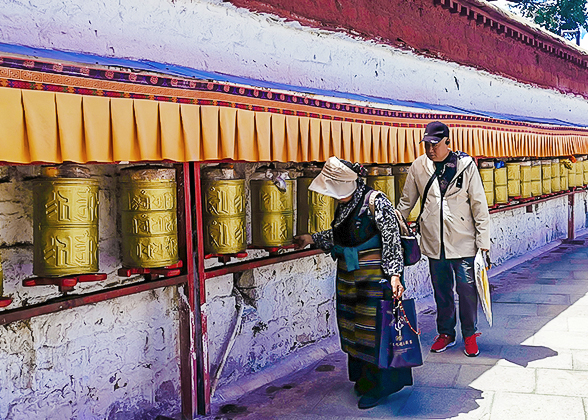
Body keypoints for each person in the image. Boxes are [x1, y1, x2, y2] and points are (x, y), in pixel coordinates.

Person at [294, 156, 412, 409]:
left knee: (373, 330)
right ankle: (363, 379)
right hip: (349, 276)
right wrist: (312, 238)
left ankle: (380, 386)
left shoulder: (376, 201)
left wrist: (394, 275)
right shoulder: (345, 205)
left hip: (373, 276)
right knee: (352, 327)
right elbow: (341, 234)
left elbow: (391, 239)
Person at [397, 121, 490, 357]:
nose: (430, 150)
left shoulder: (465, 166)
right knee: (442, 291)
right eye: (426, 145)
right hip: (433, 241)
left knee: (467, 289)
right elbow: (407, 202)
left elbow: (479, 205)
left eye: (435, 145)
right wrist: (393, 227)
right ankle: (446, 333)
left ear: (447, 142)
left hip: (464, 241)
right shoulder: (419, 166)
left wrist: (483, 244)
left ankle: (470, 334)